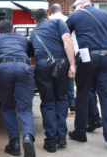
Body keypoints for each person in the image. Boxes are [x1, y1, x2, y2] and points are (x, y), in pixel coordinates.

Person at [66, 0, 107, 150]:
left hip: (87, 57)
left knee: (82, 94)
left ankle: (80, 132)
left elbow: (64, 36)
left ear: (81, 4)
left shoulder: (76, 15)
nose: (75, 10)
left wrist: (70, 63)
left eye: (75, 7)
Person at [28, 9, 75, 153]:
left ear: (35, 21)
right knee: (61, 98)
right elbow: (67, 40)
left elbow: (32, 58)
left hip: (42, 65)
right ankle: (61, 136)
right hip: (61, 62)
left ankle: (51, 141)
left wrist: (36, 70)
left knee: (48, 102)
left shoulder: (33, 33)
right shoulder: (57, 22)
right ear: (47, 17)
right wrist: (72, 64)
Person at [0, 19, 35, 157]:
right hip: (24, 68)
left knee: (8, 107)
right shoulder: (23, 38)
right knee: (25, 107)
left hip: (4, 68)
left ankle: (14, 144)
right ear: (13, 30)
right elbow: (32, 56)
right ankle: (27, 137)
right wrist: (31, 69)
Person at [50, 4, 75, 112]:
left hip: (53, 54)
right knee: (69, 77)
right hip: (68, 51)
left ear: (51, 11)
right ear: (61, 10)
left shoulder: (49, 20)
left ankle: (55, 102)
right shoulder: (68, 19)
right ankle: (71, 101)